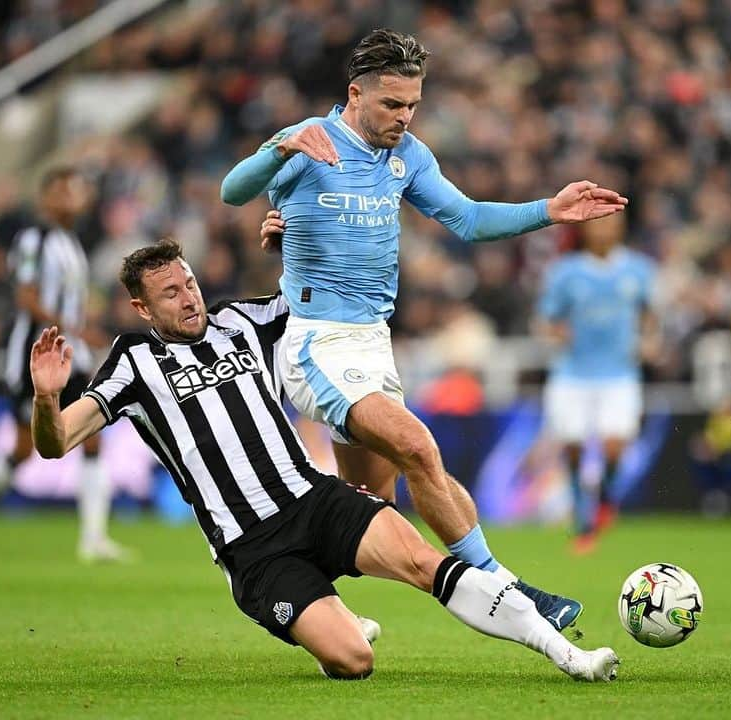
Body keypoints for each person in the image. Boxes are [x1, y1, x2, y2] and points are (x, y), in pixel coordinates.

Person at [27, 239, 620, 681]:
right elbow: (56, 444)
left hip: (313, 498)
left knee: (422, 561)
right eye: (171, 294)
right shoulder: (131, 363)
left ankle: (565, 654)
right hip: (253, 548)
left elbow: (316, 296)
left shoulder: (241, 321)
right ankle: (331, 618)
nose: (189, 300)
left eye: (189, 284)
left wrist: (295, 238)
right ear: (141, 308)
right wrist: (48, 398)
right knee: (353, 662)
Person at [221, 28, 627, 631]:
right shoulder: (307, 140)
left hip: (372, 342)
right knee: (419, 447)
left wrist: (550, 210)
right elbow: (234, 192)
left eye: (413, 104)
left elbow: (467, 219)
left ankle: (284, 587)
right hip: (314, 340)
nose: (404, 117)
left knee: (370, 508)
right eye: (392, 104)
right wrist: (278, 152)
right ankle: (509, 589)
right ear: (355, 94)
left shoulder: (408, 155)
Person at [0, 167, 131, 563]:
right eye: (64, 191)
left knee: (93, 433)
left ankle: (93, 537)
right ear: (46, 198)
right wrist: (76, 330)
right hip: (37, 356)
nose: (73, 199)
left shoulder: (71, 243)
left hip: (73, 355)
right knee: (24, 448)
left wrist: (84, 329)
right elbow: (26, 298)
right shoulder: (35, 238)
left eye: (76, 191)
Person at [534, 213, 657, 553]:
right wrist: (557, 332)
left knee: (614, 446)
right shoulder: (566, 272)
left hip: (619, 372)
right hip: (572, 373)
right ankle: (580, 513)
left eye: (610, 222)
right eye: (597, 222)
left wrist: (648, 337)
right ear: (585, 228)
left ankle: (603, 503)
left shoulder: (639, 269)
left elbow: (650, 313)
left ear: (620, 227)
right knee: (572, 445)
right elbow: (547, 318)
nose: (604, 228)